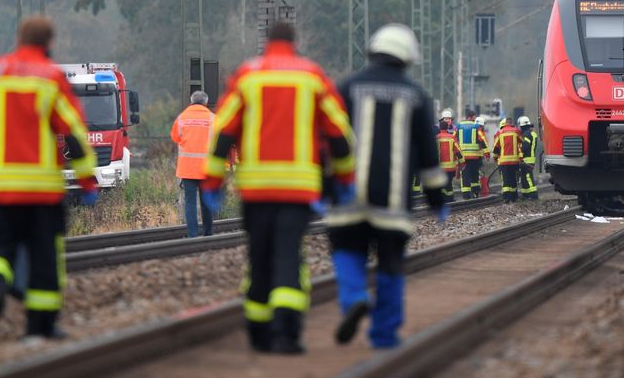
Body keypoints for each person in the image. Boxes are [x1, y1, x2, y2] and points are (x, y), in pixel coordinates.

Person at [202, 22, 354, 354]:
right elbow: (340, 134)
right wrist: (344, 180)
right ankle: (287, 333)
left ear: (267, 42)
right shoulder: (312, 77)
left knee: (258, 256)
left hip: (256, 189)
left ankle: (258, 332)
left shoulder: (247, 76)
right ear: (294, 42)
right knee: (289, 255)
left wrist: (213, 182)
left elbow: (223, 132)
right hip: (298, 189)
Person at [327, 23, 448, 349]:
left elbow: (327, 139)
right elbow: (428, 155)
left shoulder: (347, 88)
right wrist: (436, 199)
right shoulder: (417, 97)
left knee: (347, 250)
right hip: (393, 204)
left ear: (372, 51)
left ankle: (353, 297)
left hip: (348, 197)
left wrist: (325, 187)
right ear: (407, 58)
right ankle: (384, 335)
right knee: (391, 265)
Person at [0, 16, 98, 340]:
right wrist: (88, 179)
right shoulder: (51, 77)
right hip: (41, 191)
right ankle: (40, 326)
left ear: (19, 38)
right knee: (43, 256)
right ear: (49, 42)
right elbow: (73, 131)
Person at [171, 90, 216, 238]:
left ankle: (193, 235)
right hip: (207, 169)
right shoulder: (213, 119)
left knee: (190, 202)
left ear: (191, 102)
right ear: (206, 102)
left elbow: (175, 137)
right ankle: (208, 232)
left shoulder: (182, 118)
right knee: (206, 201)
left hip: (187, 168)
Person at [454, 110, 489, 199]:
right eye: (474, 117)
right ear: (471, 117)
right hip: (474, 156)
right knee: (474, 175)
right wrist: (487, 153)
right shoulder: (476, 126)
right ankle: (475, 193)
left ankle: (466, 195)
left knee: (465, 175)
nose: (475, 119)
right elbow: (482, 140)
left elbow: (453, 139)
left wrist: (455, 153)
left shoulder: (458, 126)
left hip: (463, 157)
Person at [493, 118, 522, 202]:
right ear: (511, 123)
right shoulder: (516, 131)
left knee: (506, 179)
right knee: (513, 178)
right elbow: (522, 142)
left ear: (505, 123)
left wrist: (495, 158)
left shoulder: (499, 133)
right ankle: (514, 197)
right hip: (514, 160)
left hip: (503, 161)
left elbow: (496, 147)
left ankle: (506, 198)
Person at [437, 119, 463, 202]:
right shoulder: (452, 137)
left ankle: (442, 199)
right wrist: (462, 162)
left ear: (439, 127)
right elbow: (458, 151)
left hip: (439, 167)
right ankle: (450, 199)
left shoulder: (436, 138)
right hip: (450, 166)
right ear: (447, 127)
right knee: (449, 183)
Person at [518, 116, 539, 200]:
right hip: (530, 158)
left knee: (527, 176)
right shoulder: (532, 134)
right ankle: (525, 194)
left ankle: (533, 194)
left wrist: (518, 150)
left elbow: (525, 146)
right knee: (524, 177)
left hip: (527, 159)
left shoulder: (526, 134)